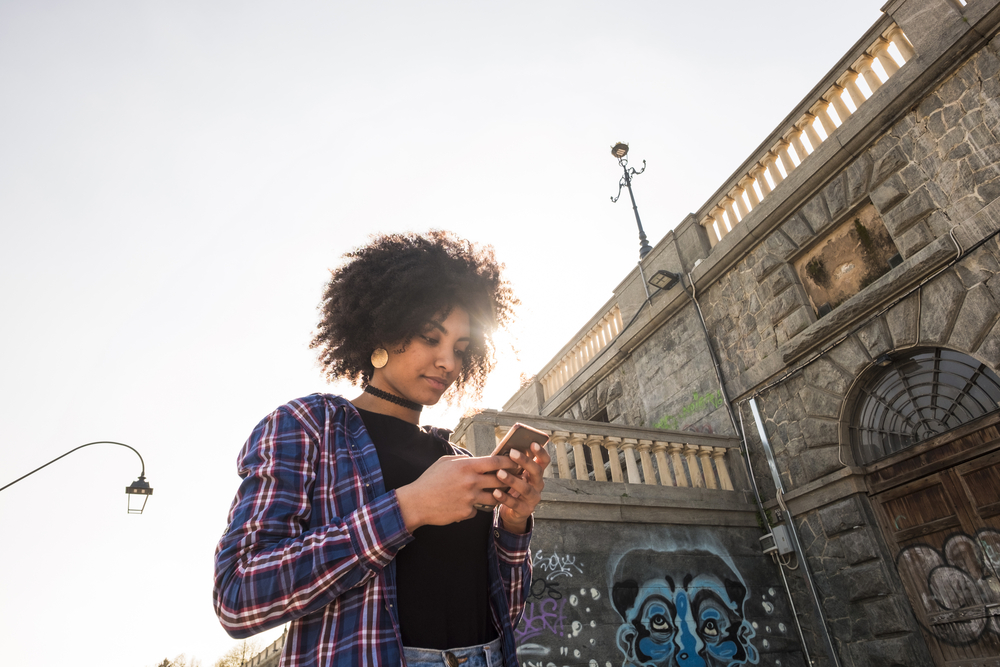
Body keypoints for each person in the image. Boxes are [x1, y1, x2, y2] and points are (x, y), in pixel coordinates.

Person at [213, 231, 550, 667]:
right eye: (431, 338)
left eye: (461, 349)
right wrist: (409, 508)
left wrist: (515, 523)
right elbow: (238, 595)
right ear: (381, 330)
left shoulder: (459, 463)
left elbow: (507, 611)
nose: (449, 362)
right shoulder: (307, 426)